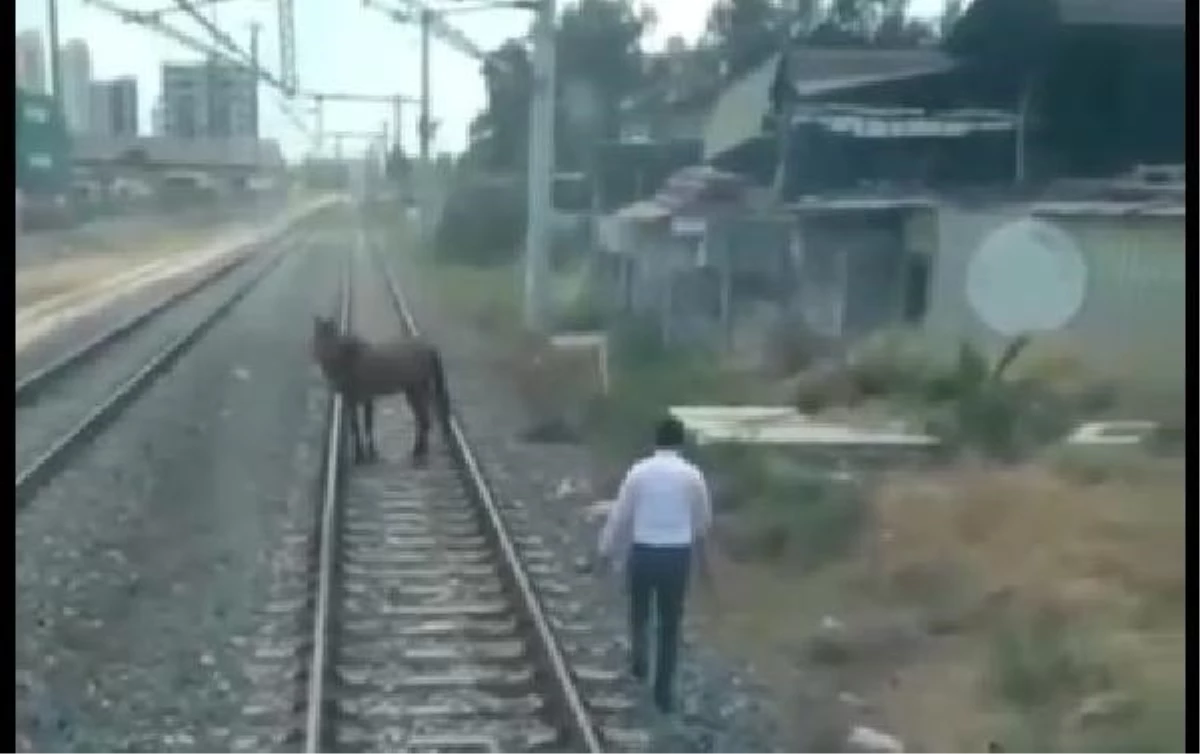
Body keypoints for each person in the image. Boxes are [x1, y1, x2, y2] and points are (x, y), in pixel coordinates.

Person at [597, 415, 714, 714]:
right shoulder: (692, 475)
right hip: (676, 555)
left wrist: (605, 551)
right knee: (670, 623)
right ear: (681, 442)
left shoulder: (639, 472)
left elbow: (620, 515)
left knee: (639, 611)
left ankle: (639, 659)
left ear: (655, 441)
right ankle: (663, 690)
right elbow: (702, 524)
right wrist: (704, 566)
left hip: (644, 551)